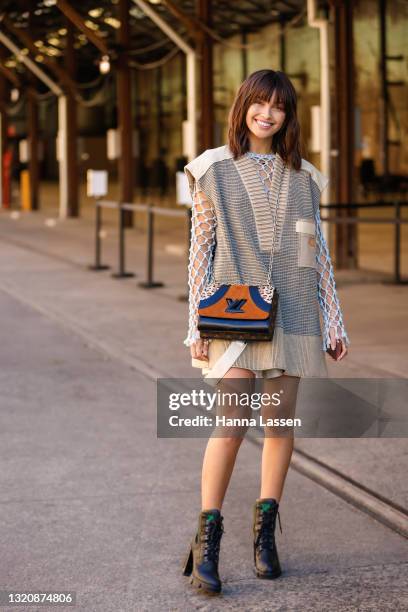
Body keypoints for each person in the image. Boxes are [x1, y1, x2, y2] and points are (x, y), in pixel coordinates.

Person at [181, 69, 350, 595]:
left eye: (278, 106)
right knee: (230, 424)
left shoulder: (306, 178)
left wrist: (334, 319)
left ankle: (264, 536)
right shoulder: (211, 168)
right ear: (244, 107)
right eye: (259, 103)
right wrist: (195, 325)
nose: (267, 114)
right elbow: (199, 252)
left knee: (280, 425)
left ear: (287, 115)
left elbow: (315, 253)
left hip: (295, 315)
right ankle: (207, 537)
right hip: (233, 317)